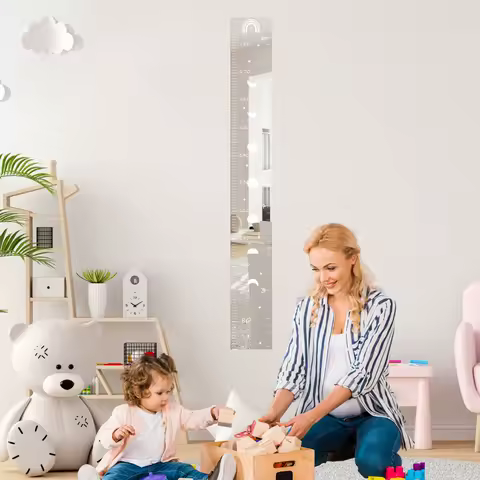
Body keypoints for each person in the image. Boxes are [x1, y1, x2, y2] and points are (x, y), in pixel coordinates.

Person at [259, 223, 412, 479]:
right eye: (316, 269)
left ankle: (379, 454)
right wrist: (274, 413)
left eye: (330, 268)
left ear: (352, 259)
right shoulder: (306, 308)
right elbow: (293, 369)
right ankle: (347, 445)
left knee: (373, 462)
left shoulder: (380, 306)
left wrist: (310, 417)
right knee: (283, 459)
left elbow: (362, 373)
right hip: (326, 418)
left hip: (373, 414)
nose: (323, 278)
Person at [78, 354, 236, 480]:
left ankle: (211, 479)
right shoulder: (123, 412)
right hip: (128, 464)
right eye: (160, 393)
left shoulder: (173, 410)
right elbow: (104, 436)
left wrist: (212, 412)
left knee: (183, 469)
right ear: (139, 391)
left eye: (168, 391)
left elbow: (192, 418)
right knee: (116, 476)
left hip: (160, 464)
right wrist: (116, 434)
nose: (166, 397)